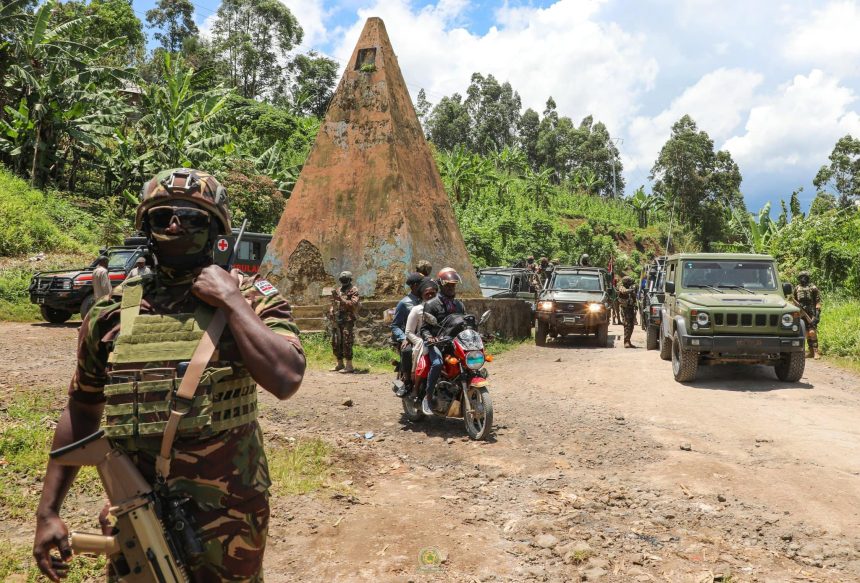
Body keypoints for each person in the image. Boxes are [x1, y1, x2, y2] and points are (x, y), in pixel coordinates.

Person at [32, 168, 306, 582]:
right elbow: (83, 408)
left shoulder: (251, 299)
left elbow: (286, 378)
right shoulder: (110, 315)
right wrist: (48, 511)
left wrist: (230, 300)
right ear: (146, 226)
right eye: (162, 217)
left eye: (192, 218)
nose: (175, 225)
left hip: (228, 514)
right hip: (137, 512)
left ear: (215, 229)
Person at [420, 268, 466, 415]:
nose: (451, 288)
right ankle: (428, 397)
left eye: (453, 285)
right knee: (437, 363)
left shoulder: (459, 305)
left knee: (470, 362)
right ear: (441, 285)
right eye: (448, 285)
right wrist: (429, 338)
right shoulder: (432, 304)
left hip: (455, 343)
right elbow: (424, 328)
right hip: (437, 343)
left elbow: (464, 325)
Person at [391, 272, 424, 396]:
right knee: (407, 351)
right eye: (422, 284)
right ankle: (408, 381)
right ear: (415, 286)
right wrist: (404, 337)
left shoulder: (427, 300)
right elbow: (395, 325)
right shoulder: (404, 303)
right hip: (410, 337)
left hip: (424, 336)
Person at [405, 278, 439, 383]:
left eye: (432, 293)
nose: (430, 296)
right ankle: (415, 383)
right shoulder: (416, 310)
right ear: (422, 295)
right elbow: (409, 332)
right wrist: (419, 341)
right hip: (423, 340)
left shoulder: (441, 308)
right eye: (427, 293)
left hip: (440, 340)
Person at [329, 271, 360, 373]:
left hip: (347, 319)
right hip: (337, 319)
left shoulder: (353, 290)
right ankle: (339, 363)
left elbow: (353, 304)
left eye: (345, 280)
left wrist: (341, 299)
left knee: (347, 340)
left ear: (350, 280)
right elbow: (333, 302)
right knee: (336, 341)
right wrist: (331, 310)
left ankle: (349, 365)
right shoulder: (338, 290)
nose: (343, 282)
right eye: (342, 280)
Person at [793, 271, 822, 359]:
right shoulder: (797, 288)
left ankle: (816, 352)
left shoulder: (813, 288)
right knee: (806, 333)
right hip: (801, 313)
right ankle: (811, 351)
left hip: (811, 312)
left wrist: (817, 314)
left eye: (805, 277)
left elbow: (818, 301)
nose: (803, 279)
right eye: (801, 277)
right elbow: (794, 301)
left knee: (812, 332)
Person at [617, 275, 638, 348]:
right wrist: (631, 290)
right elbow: (624, 291)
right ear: (626, 282)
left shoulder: (631, 288)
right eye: (629, 282)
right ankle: (626, 342)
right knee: (627, 325)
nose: (631, 283)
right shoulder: (622, 287)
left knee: (631, 326)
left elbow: (634, 298)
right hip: (625, 309)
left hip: (631, 308)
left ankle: (628, 341)